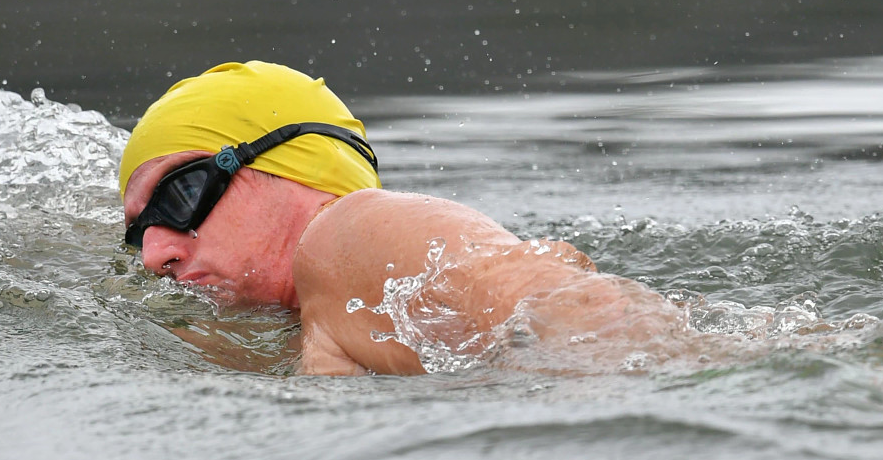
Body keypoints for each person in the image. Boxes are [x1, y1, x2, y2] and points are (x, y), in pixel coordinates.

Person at [119, 60, 686, 374]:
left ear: (290, 164)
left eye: (180, 195)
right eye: (139, 233)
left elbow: (589, 316)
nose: (155, 254)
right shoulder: (316, 314)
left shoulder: (346, 231)